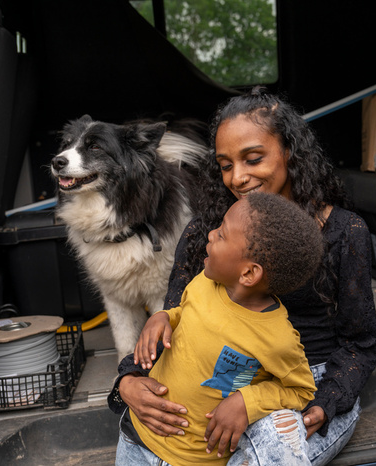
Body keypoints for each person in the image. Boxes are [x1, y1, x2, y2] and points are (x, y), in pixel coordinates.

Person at [109, 87, 376, 466]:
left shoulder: (344, 232)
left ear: (290, 152)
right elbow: (172, 327)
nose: (237, 178)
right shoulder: (207, 235)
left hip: (304, 386)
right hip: (219, 381)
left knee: (269, 444)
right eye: (224, 165)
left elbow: (360, 344)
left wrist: (328, 400)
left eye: (253, 158)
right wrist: (127, 383)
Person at [117, 192, 324, 465]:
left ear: (249, 274)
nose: (212, 234)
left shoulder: (277, 339)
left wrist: (246, 402)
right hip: (137, 440)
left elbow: (301, 391)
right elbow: (186, 313)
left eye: (223, 235)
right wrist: (164, 317)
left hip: (195, 460)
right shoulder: (205, 281)